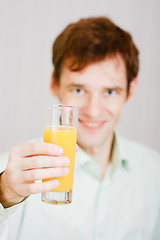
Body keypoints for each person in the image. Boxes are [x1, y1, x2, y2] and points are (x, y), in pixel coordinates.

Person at [0, 16, 160, 240]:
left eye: (110, 92)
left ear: (130, 90)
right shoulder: (10, 175)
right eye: (78, 90)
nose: (93, 111)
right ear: (54, 82)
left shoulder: (155, 175)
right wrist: (4, 195)